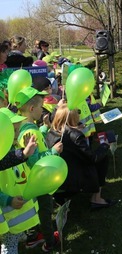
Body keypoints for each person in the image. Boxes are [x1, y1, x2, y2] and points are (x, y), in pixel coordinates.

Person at [15, 86, 63, 252]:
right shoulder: (30, 132)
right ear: (32, 108)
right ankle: (50, 242)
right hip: (38, 179)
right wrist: (53, 152)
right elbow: (33, 161)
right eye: (41, 106)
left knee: (35, 209)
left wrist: (43, 128)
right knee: (44, 210)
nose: (43, 109)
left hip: (32, 179)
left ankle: (33, 237)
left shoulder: (26, 127)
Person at [46, 104, 117, 209]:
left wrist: (75, 128)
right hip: (72, 177)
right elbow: (93, 158)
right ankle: (96, 199)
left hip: (58, 173)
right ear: (72, 118)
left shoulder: (51, 132)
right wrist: (105, 145)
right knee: (103, 159)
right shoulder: (76, 136)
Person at [0, 108, 39, 254]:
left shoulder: (12, 148)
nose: (17, 134)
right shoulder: (2, 153)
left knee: (13, 238)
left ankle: (19, 236)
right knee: (9, 246)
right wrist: (8, 200)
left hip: (18, 212)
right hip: (8, 215)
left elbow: (27, 165)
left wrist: (29, 152)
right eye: (14, 131)